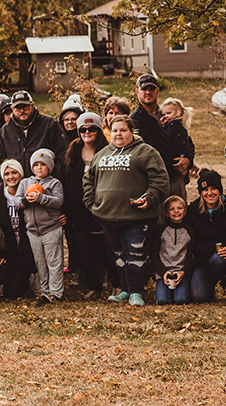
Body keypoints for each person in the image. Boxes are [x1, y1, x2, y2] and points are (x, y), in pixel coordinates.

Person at [83, 114, 169, 308]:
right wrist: (91, 203)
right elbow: (88, 180)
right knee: (119, 255)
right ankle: (124, 290)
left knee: (135, 256)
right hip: (107, 217)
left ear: (132, 132)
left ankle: (136, 293)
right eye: (114, 130)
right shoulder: (102, 154)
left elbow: (160, 182)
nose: (118, 134)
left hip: (137, 217)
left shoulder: (146, 152)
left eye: (123, 130)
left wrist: (149, 198)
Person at [61, 112, 110, 299]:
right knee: (83, 248)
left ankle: (107, 279)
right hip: (77, 209)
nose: (87, 132)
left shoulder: (107, 151)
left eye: (91, 129)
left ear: (98, 130)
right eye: (83, 129)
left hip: (102, 207)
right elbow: (64, 181)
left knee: (103, 246)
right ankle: (91, 284)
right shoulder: (72, 152)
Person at [132, 75, 192, 199]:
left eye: (151, 89)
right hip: (152, 181)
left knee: (179, 215)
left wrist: (188, 159)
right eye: (144, 89)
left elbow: (186, 139)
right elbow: (149, 149)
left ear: (157, 91)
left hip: (175, 179)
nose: (148, 92)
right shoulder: (135, 120)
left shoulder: (167, 113)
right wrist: (177, 167)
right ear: (137, 92)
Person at [0, 159, 35, 300]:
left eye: (14, 173)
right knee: (9, 292)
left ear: (21, 174)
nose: (11, 177)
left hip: (28, 245)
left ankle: (30, 278)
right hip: (7, 249)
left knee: (16, 288)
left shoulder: (30, 192)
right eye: (7, 174)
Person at [17, 149, 64, 303]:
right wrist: (25, 200)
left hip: (51, 227)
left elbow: (58, 201)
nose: (39, 168)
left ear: (49, 167)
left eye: (43, 165)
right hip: (33, 230)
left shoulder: (54, 183)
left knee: (54, 261)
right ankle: (44, 291)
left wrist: (41, 198)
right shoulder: (25, 183)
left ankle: (56, 292)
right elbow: (17, 201)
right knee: (40, 262)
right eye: (36, 164)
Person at [185, 169, 226, 302]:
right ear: (201, 192)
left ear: (220, 190)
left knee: (219, 259)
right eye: (205, 189)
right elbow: (193, 243)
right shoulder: (193, 211)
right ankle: (209, 284)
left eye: (213, 189)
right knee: (199, 297)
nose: (209, 193)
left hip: (223, 260)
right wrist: (212, 247)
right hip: (201, 262)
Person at [0, 91, 66, 176]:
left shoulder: (50, 124)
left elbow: (62, 155)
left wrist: (51, 180)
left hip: (46, 183)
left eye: (25, 107)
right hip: (17, 184)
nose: (22, 110)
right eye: (18, 108)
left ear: (33, 105)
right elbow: (2, 160)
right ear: (12, 109)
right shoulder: (5, 130)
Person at [152, 195, 193, 305]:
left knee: (181, 300)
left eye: (179, 208)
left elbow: (191, 256)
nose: (176, 211)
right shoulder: (160, 230)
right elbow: (154, 254)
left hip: (180, 271)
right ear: (166, 213)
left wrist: (183, 272)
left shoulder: (189, 231)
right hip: (163, 273)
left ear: (185, 211)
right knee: (162, 301)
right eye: (172, 209)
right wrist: (162, 272)